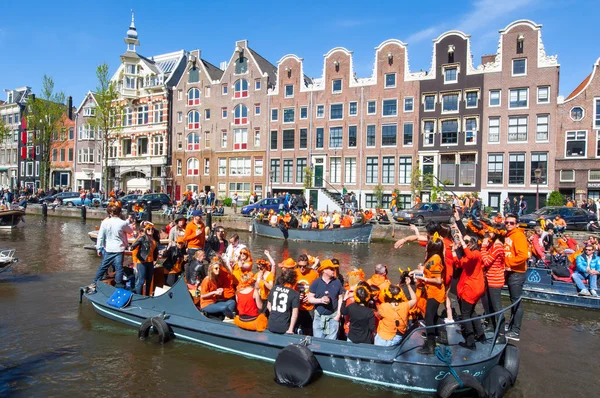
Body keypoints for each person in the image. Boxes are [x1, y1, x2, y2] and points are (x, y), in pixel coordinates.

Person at [453, 231, 485, 350]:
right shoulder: (469, 255)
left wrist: (461, 241)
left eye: (466, 242)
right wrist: (454, 251)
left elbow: (470, 257)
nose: (464, 244)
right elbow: (459, 263)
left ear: (472, 243)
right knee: (471, 311)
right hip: (473, 287)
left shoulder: (476, 253)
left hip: (472, 288)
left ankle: (470, 341)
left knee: (465, 313)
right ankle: (481, 335)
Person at [414, 235, 446, 354]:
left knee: (428, 318)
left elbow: (438, 280)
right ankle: (441, 334)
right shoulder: (433, 257)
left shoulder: (436, 260)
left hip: (435, 292)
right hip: (431, 291)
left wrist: (425, 280)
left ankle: (430, 345)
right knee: (431, 315)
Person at [92, 204, 134, 288]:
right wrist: (128, 222)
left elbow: (100, 236)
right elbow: (130, 231)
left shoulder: (105, 222)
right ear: (119, 212)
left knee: (103, 266)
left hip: (109, 248)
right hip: (118, 249)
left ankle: (95, 282)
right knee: (119, 268)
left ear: (110, 213)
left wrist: (99, 248)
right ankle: (118, 284)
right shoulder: (122, 223)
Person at [504, 214, 529, 341]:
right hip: (511, 272)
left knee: (516, 302)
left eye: (511, 223)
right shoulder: (508, 235)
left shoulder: (518, 236)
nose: (508, 224)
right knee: (512, 300)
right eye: (507, 222)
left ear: (517, 224)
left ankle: (516, 331)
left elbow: (523, 255)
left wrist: (508, 264)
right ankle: (511, 325)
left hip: (517, 273)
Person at [481, 223, 507, 342]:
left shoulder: (497, 246)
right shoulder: (495, 245)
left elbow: (486, 261)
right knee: (490, 305)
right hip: (490, 278)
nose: (488, 233)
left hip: (495, 280)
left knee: (497, 308)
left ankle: (501, 334)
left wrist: (483, 247)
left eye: (490, 231)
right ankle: (491, 326)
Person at [308, 259, 344, 339]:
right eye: (331, 269)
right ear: (324, 270)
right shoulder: (316, 283)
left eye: (334, 269)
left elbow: (340, 298)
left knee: (331, 343)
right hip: (319, 317)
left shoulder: (337, 282)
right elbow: (310, 298)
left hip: (333, 317)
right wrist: (320, 300)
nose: (333, 271)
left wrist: (338, 313)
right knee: (318, 342)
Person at [375, 281, 417, 346]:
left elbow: (378, 315)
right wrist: (408, 285)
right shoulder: (405, 306)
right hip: (397, 338)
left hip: (383, 337)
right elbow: (414, 299)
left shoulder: (383, 306)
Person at [267, 268, 300, 334]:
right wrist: (290, 329)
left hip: (271, 325)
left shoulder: (274, 289)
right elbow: (295, 314)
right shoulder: (295, 294)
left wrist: (275, 313)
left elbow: (268, 305)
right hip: (284, 327)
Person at [293, 255, 319, 335]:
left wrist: (310, 296)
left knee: (308, 331)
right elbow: (289, 289)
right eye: (300, 266)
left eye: (304, 266)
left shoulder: (314, 274)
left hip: (309, 308)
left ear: (307, 264)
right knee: (294, 329)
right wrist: (296, 296)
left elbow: (318, 290)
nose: (302, 268)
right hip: (296, 307)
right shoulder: (294, 273)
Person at [130, 223, 159, 296]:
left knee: (149, 279)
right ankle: (138, 296)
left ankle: (147, 295)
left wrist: (155, 259)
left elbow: (155, 250)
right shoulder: (142, 238)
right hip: (142, 261)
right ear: (146, 230)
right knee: (141, 281)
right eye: (148, 229)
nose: (151, 230)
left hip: (150, 261)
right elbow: (134, 245)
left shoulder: (154, 239)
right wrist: (132, 248)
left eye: (152, 229)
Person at [183, 210, 206, 282]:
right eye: (199, 216)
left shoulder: (202, 224)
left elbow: (203, 236)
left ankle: (198, 280)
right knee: (191, 264)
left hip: (200, 248)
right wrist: (195, 234)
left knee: (200, 264)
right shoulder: (189, 225)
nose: (200, 217)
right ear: (195, 217)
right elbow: (185, 238)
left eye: (201, 216)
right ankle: (190, 280)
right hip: (192, 247)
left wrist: (203, 246)